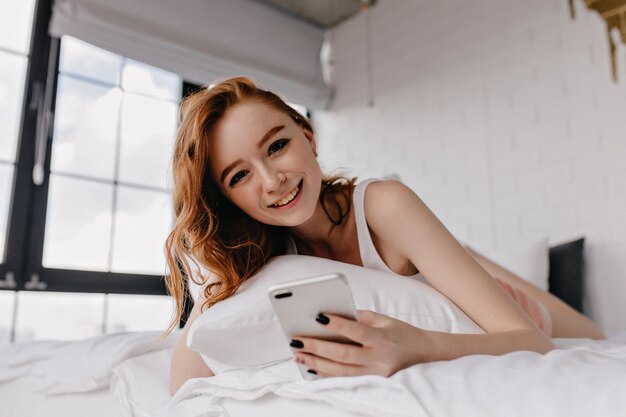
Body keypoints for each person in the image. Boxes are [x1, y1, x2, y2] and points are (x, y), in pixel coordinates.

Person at [165, 77, 605, 394]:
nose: (271, 180)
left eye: (277, 146)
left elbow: (535, 343)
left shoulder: (384, 205)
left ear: (308, 135)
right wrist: (211, 274)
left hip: (497, 291)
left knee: (596, 335)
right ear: (228, 199)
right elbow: (182, 384)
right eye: (239, 175)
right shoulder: (266, 257)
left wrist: (419, 345)